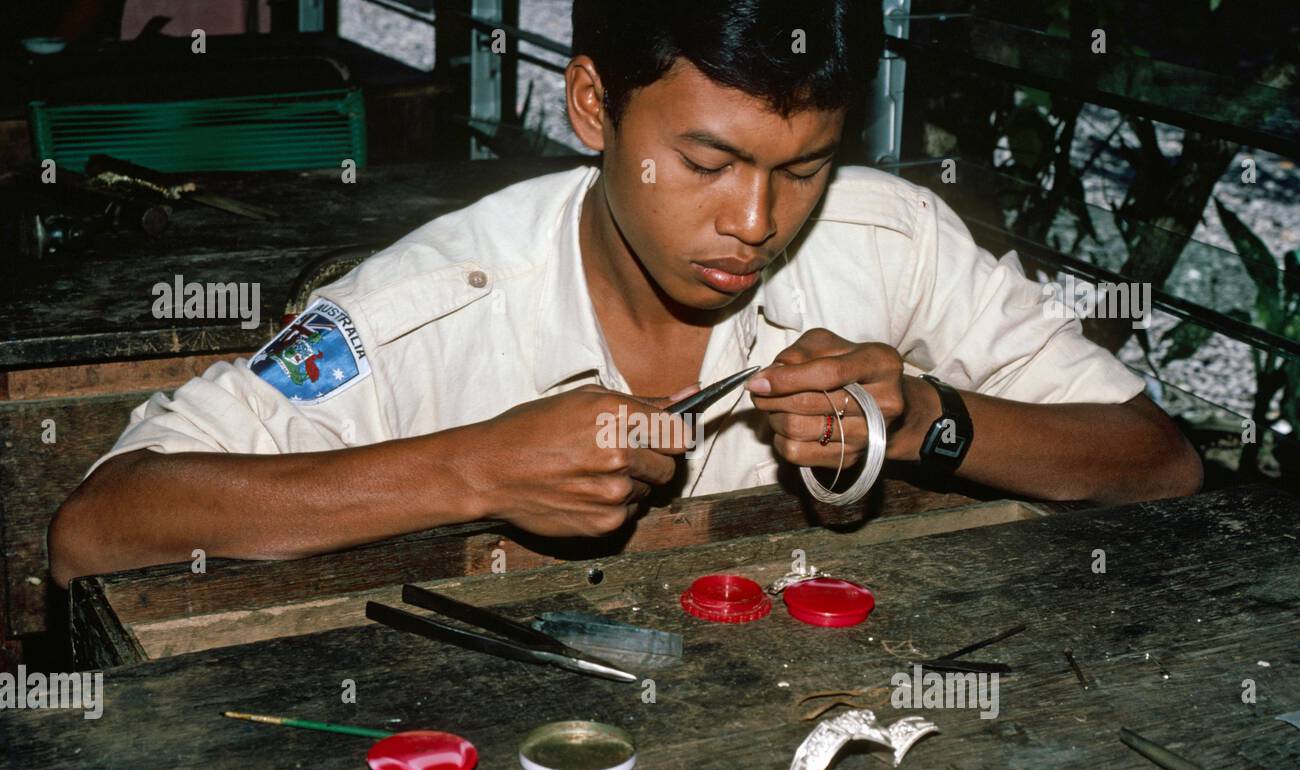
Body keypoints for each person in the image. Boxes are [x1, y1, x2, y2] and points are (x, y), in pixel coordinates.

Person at [48, 0, 1202, 588]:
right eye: (704, 166)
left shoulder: (892, 240)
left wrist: (927, 424)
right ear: (593, 110)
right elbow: (97, 531)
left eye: (802, 167)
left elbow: (1161, 462)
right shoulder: (430, 302)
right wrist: (468, 468)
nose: (755, 225)